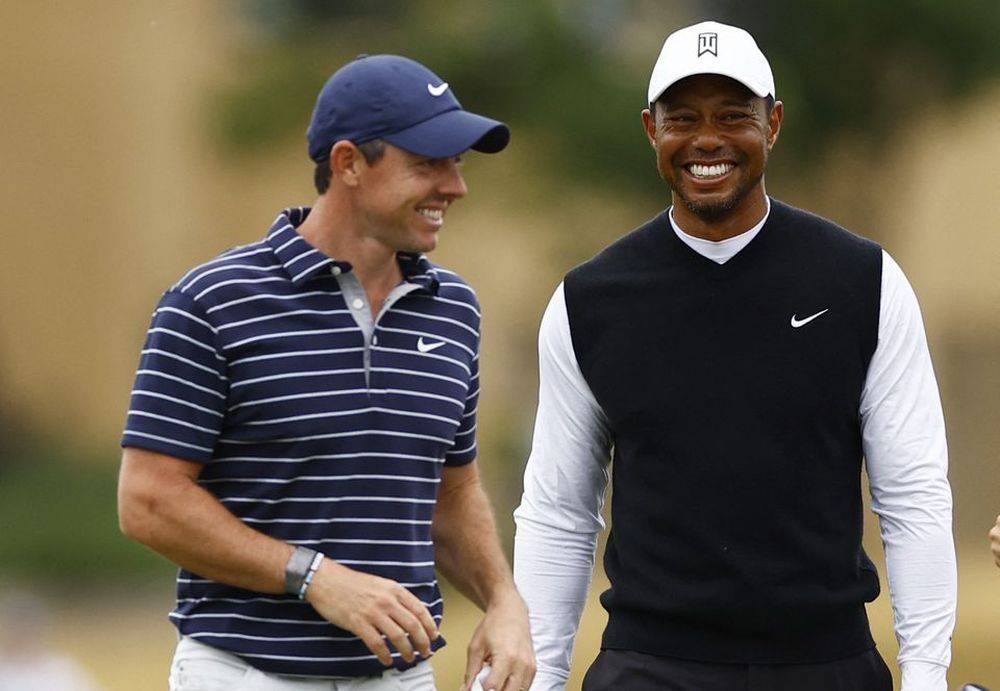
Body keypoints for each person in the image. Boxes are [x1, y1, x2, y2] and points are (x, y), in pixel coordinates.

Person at [513, 21, 955, 691]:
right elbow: (560, 511)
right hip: (651, 666)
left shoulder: (863, 281)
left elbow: (913, 494)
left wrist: (926, 674)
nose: (708, 139)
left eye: (733, 115)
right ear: (650, 129)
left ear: (773, 123)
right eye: (683, 117)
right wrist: (539, 677)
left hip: (824, 663)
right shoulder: (589, 300)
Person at [118, 54, 535, 691]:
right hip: (245, 673)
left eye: (458, 164)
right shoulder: (211, 301)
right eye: (428, 164)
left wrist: (503, 602)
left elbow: (450, 494)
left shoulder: (455, 309)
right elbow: (148, 501)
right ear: (348, 164)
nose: (456, 186)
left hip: (400, 676)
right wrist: (315, 578)